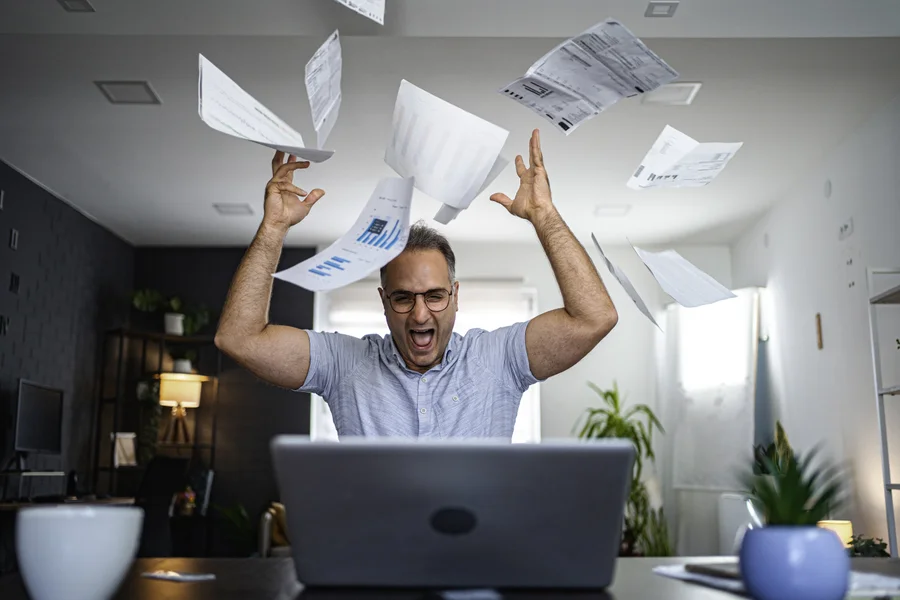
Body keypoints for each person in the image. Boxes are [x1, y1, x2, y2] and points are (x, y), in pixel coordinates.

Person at [215, 129, 618, 438]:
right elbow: (239, 339)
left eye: (435, 296)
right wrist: (273, 228)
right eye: (404, 298)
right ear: (384, 301)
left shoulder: (499, 359)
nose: (420, 314)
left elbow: (594, 318)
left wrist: (544, 214)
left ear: (455, 296)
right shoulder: (344, 364)